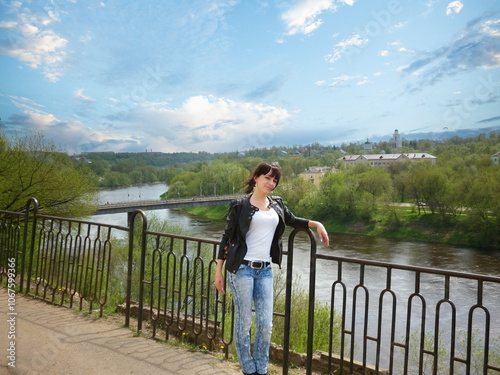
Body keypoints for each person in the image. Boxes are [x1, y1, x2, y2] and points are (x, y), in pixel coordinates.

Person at [214, 162, 329, 375]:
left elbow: (293, 220)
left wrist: (317, 224)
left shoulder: (277, 204)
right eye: (267, 178)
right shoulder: (239, 206)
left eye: (275, 180)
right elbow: (226, 238)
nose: (271, 183)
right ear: (256, 178)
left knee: (266, 324)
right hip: (242, 270)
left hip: (265, 270)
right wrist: (218, 272)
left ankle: (261, 368)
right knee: (245, 321)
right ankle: (249, 369)